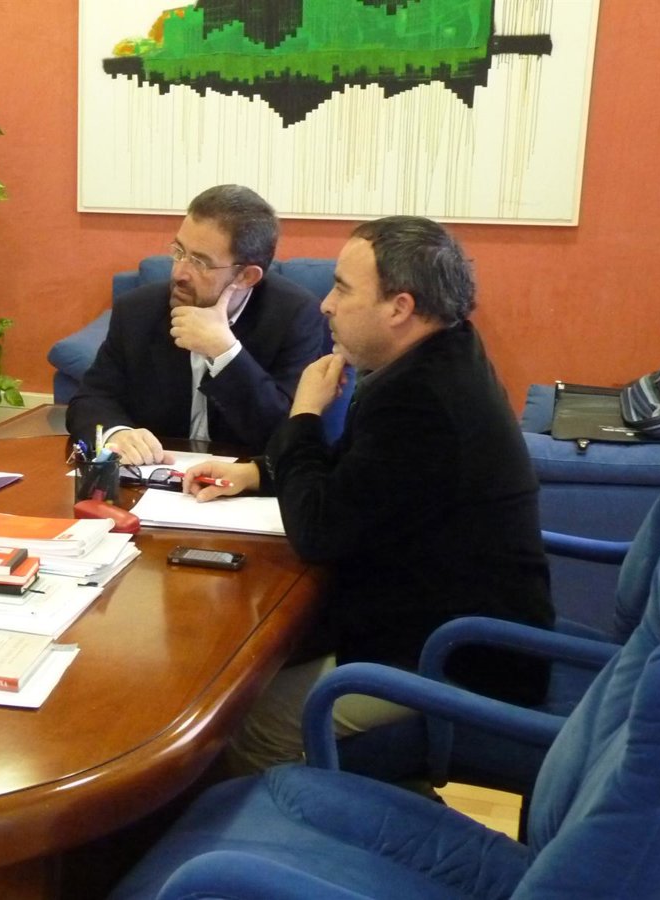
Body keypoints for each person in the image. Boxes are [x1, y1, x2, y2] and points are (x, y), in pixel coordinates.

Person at [183, 215, 554, 773]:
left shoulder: (421, 400)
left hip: (458, 657)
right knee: (251, 671)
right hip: (447, 621)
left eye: (342, 289)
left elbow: (318, 531)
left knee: (246, 724)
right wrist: (258, 472)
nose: (326, 304)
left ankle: (290, 826)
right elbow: (366, 476)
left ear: (400, 307)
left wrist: (303, 415)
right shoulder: (442, 354)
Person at [66, 184, 325, 465]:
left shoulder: (295, 317)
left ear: (246, 276)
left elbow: (286, 434)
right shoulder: (138, 310)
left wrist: (226, 353)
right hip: (155, 474)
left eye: (200, 262)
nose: (179, 273)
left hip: (244, 481)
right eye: (179, 251)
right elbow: (90, 399)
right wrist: (117, 434)